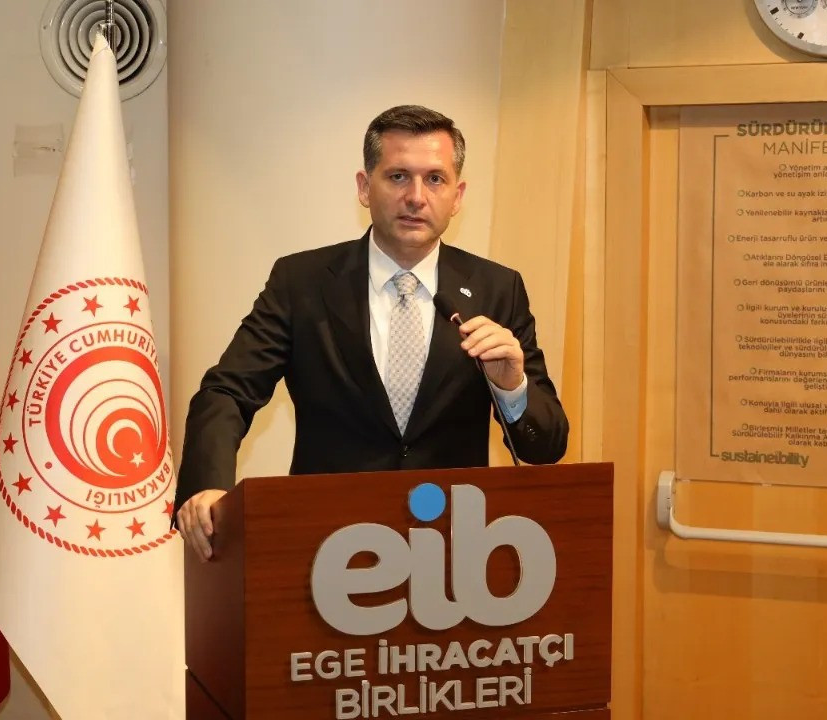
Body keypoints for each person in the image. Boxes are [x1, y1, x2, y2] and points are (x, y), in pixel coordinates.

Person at [174, 104, 569, 560]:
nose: (416, 197)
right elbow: (226, 392)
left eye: (435, 179)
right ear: (365, 187)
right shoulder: (302, 282)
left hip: (454, 552)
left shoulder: (497, 288)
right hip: (326, 548)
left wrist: (512, 388)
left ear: (457, 196)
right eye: (398, 176)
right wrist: (207, 486)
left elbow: (546, 447)